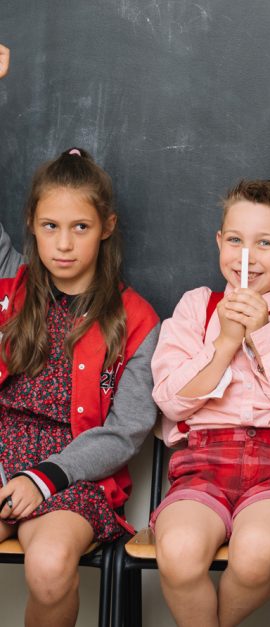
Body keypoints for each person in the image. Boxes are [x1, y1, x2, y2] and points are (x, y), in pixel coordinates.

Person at [150, 179, 270, 627]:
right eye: (235, 240)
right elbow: (170, 402)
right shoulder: (196, 308)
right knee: (178, 552)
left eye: (265, 243)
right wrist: (225, 342)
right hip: (200, 466)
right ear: (219, 242)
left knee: (257, 555)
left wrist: (263, 335)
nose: (245, 255)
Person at [0, 148, 159, 627]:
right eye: (50, 226)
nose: (63, 244)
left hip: (74, 475)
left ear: (106, 227)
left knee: (49, 564)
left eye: (81, 227)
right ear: (30, 222)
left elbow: (126, 431)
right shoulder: (10, 282)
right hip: (2, 462)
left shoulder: (137, 319)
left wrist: (42, 477)